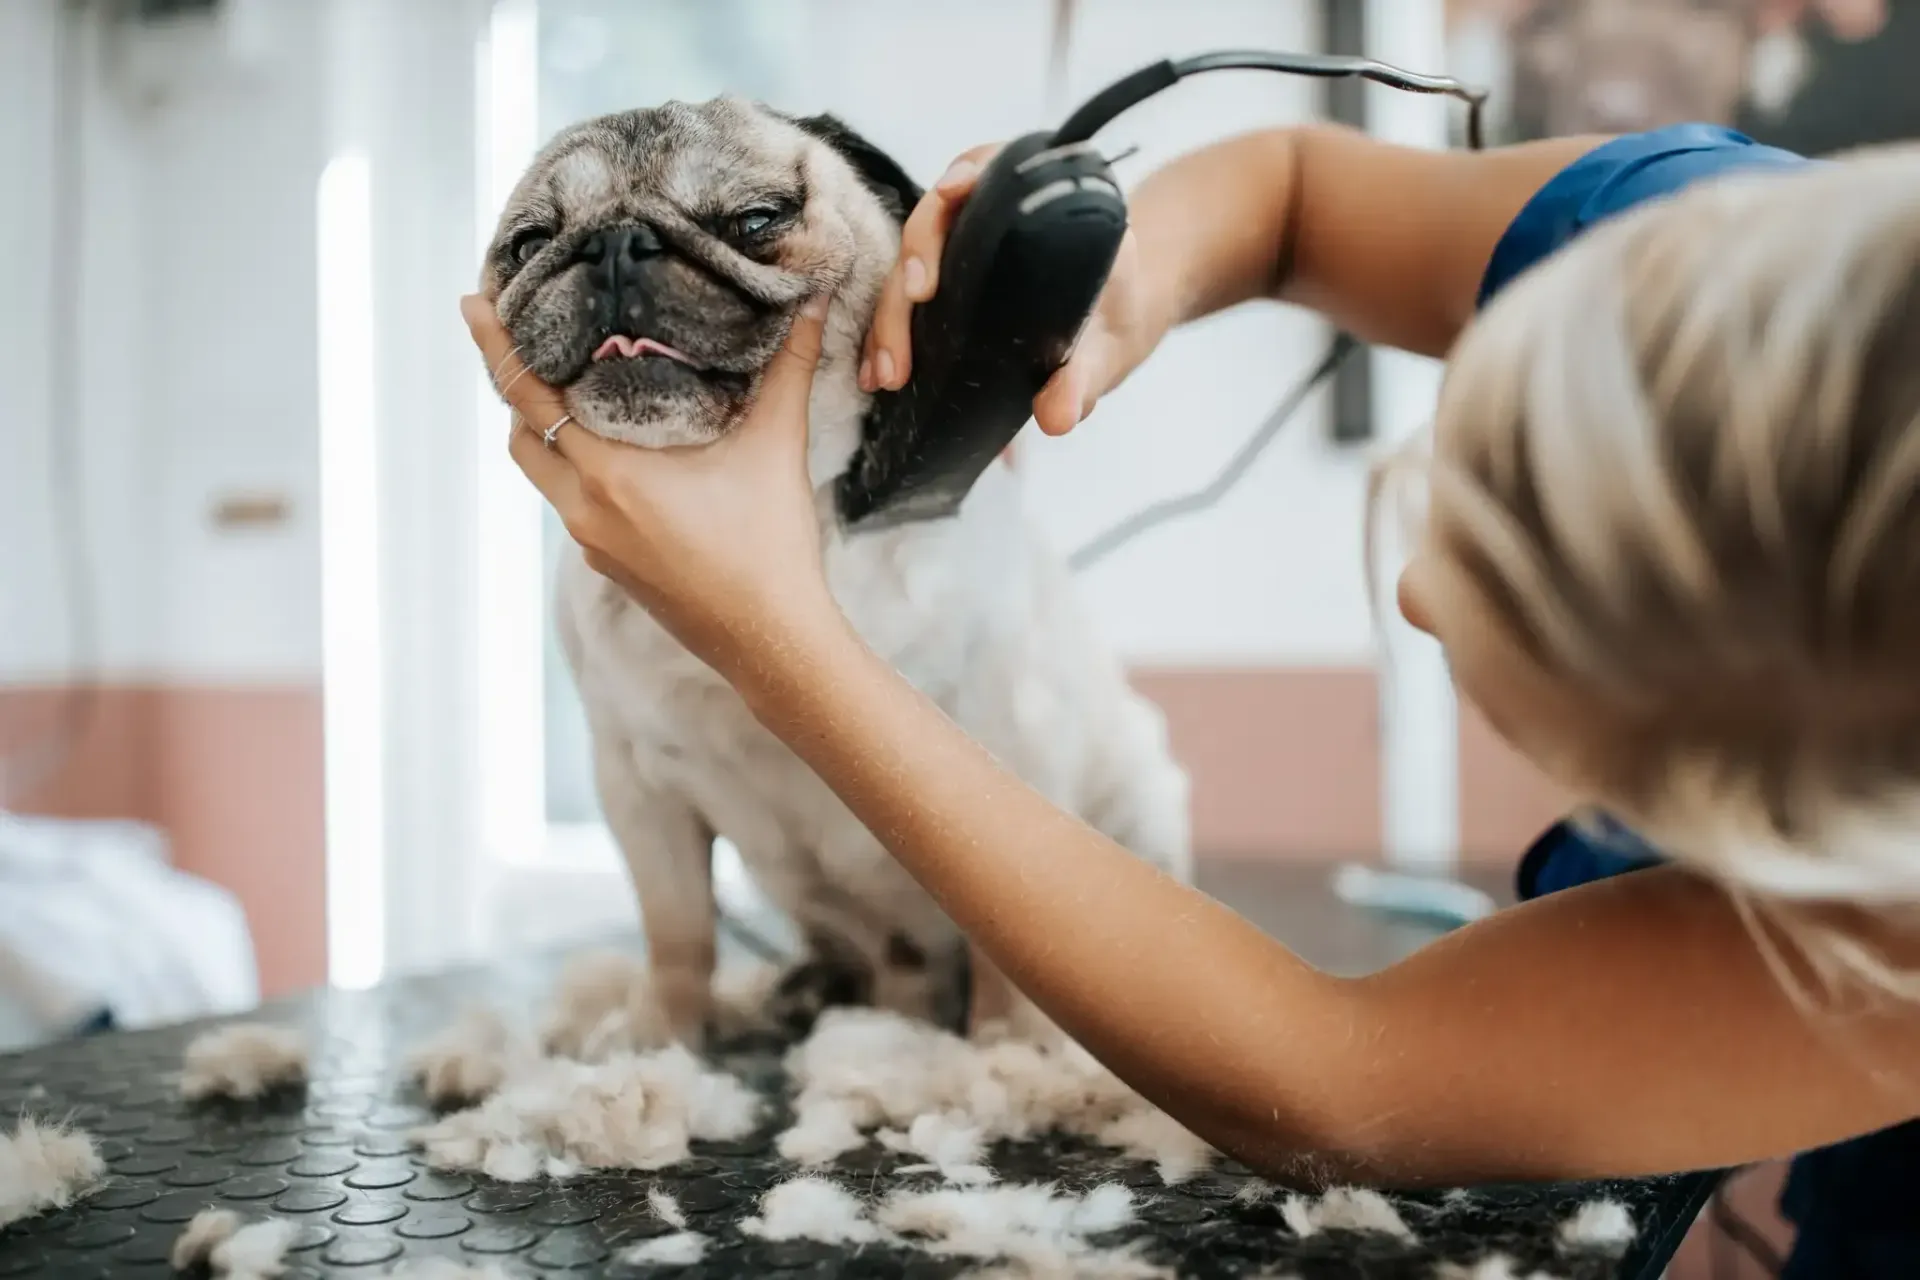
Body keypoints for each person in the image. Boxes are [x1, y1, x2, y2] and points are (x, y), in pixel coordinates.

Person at [464, 120, 1920, 1275]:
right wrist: (1115, 285)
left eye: (1547, 627)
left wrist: (773, 637)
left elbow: (1333, 1089)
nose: (1418, 592)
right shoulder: (1717, 244)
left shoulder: (1887, 967)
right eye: (1478, 464)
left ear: (1794, 835)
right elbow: (1292, 194)